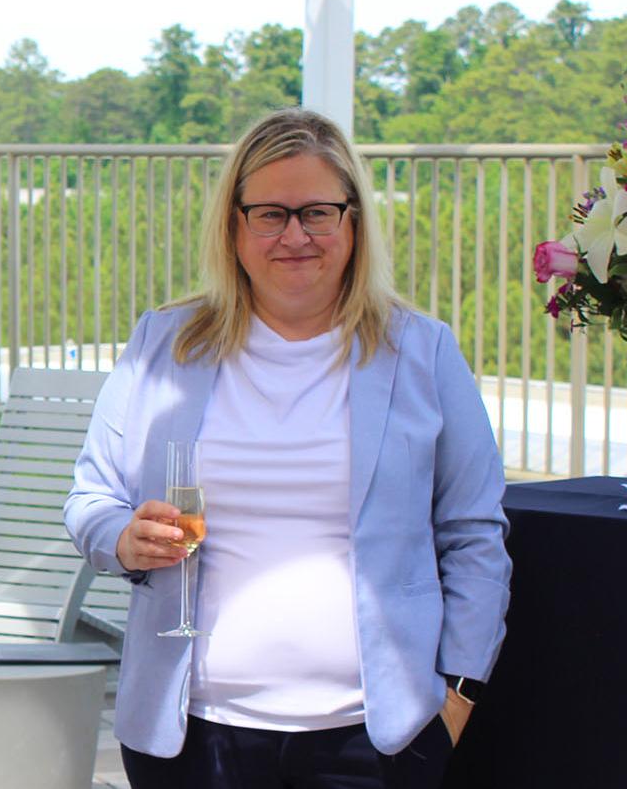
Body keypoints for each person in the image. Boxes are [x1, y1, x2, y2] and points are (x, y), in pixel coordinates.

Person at [63, 108, 511, 789]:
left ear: (353, 222)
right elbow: (91, 498)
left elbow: (474, 534)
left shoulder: (421, 352)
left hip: (375, 740)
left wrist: (458, 696)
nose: (295, 235)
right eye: (270, 213)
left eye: (318, 213)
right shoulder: (164, 344)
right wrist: (122, 538)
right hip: (190, 738)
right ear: (234, 226)